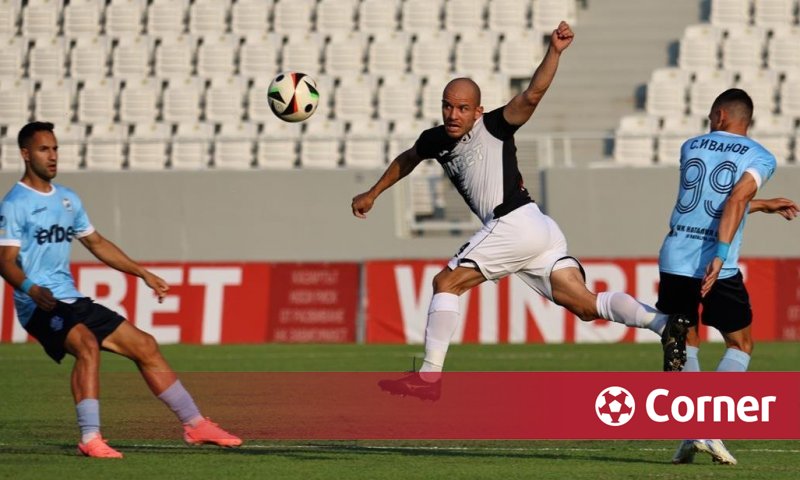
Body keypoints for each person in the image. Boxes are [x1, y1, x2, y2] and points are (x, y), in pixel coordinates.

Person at [351, 22, 686, 401]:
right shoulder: (434, 139)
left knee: (445, 284)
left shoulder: (494, 126)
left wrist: (554, 52)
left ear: (477, 111)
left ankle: (429, 378)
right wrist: (374, 192)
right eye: (447, 105)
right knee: (585, 306)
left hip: (514, 222)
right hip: (538, 227)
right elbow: (408, 158)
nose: (453, 114)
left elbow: (533, 94)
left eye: (462, 108)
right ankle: (664, 324)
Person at [0, 122, 242, 458]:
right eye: (44, 149)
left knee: (145, 345)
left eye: (55, 149)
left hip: (70, 299)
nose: (53, 156)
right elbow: (5, 261)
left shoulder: (68, 199)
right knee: (87, 345)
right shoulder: (14, 204)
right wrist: (30, 287)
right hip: (38, 303)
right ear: (25, 154)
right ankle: (90, 437)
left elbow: (97, 243)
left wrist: (142, 273)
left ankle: (195, 423)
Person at [653, 89, 799, 465]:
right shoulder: (760, 156)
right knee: (740, 344)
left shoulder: (690, 146)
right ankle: (710, 428)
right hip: (717, 265)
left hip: (674, 258)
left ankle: (692, 433)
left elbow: (712, 197)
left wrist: (762, 206)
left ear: (719, 115)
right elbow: (733, 199)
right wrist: (719, 256)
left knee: (686, 342)